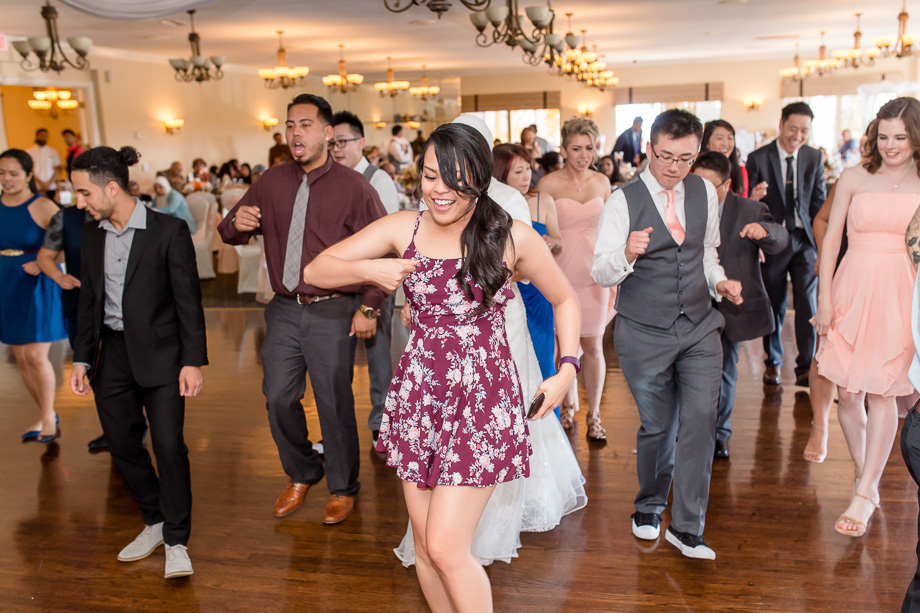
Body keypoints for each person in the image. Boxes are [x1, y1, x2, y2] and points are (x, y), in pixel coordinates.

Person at [302, 121, 581, 612]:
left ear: (478, 178)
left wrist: (567, 369)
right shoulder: (403, 226)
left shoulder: (509, 235)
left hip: (483, 399)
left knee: (448, 547)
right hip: (420, 394)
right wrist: (372, 270)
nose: (439, 190)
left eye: (453, 180)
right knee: (428, 549)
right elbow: (316, 269)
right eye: (430, 176)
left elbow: (564, 297)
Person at [218, 93, 387, 526]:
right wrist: (234, 226)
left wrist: (368, 307)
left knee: (333, 402)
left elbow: (385, 251)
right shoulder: (270, 181)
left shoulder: (355, 188)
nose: (296, 132)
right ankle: (303, 471)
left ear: (328, 134)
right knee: (277, 396)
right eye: (291, 124)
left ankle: (343, 486)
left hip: (334, 308)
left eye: (306, 125)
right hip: (284, 308)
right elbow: (231, 228)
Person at [593, 109, 743, 560]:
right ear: (649, 150)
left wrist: (718, 281)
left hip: (699, 324)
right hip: (643, 330)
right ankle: (650, 505)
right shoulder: (623, 200)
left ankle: (687, 527)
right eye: (664, 156)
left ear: (697, 154)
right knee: (659, 426)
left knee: (700, 420)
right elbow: (601, 271)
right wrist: (626, 252)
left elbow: (708, 251)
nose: (674, 167)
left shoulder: (703, 191)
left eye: (684, 158)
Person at [69, 145, 207, 579]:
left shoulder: (168, 231)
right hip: (111, 357)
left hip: (164, 358)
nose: (79, 202)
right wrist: (80, 359)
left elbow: (189, 302)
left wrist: (193, 361)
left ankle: (178, 539)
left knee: (168, 446)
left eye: (84, 193)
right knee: (122, 444)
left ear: (112, 187)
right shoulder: (92, 232)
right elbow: (89, 298)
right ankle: (155, 520)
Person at [815, 97, 920, 537]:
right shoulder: (854, 177)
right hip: (852, 284)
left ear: (915, 138)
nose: (891, 145)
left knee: (882, 394)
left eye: (901, 137)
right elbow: (831, 240)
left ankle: (865, 491)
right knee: (847, 391)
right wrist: (823, 298)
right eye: (884, 136)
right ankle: (864, 474)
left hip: (902, 290)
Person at [692, 151, 788, 459]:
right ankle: (688, 432)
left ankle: (719, 434)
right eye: (696, 185)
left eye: (710, 186)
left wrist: (765, 232)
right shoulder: (680, 207)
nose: (701, 193)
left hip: (729, 306)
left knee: (724, 370)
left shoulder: (750, 208)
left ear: (728, 184)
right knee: (688, 373)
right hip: (688, 304)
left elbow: (780, 237)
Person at [537, 117, 612, 439]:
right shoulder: (548, 184)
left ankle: (595, 415)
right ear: (564, 149)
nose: (584, 155)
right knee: (561, 347)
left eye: (590, 148)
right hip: (560, 274)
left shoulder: (602, 183)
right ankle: (567, 408)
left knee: (594, 347)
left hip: (595, 275)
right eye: (577, 148)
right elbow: (540, 233)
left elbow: (611, 230)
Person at [331, 109, 399, 444]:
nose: (337, 149)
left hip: (374, 282)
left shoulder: (378, 180)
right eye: (332, 143)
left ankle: (382, 425)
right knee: (335, 357)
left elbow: (387, 242)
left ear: (361, 143)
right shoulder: (328, 180)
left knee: (377, 357)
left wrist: (372, 300)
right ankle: (337, 432)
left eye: (343, 142)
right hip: (338, 284)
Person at [746, 102, 826, 387]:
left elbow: (819, 205)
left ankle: (805, 365)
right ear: (781, 125)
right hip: (774, 240)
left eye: (804, 130)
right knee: (775, 303)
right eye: (793, 128)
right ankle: (773, 362)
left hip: (804, 240)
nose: (798, 135)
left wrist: (821, 248)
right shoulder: (758, 158)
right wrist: (754, 197)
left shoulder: (813, 158)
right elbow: (749, 204)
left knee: (808, 303)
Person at [0, 148, 67, 443]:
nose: (7, 179)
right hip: (7, 282)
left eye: (13, 173)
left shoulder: (43, 206)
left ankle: (50, 417)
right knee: (21, 358)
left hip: (37, 283)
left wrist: (44, 262)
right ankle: (45, 413)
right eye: (2, 173)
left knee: (35, 356)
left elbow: (69, 244)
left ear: (29, 175)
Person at [36, 200, 110, 452]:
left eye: (84, 190)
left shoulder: (120, 215)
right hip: (79, 304)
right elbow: (45, 256)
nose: (79, 199)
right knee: (93, 369)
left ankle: (130, 425)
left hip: (117, 306)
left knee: (120, 370)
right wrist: (59, 276)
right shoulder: (65, 217)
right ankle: (115, 428)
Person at [493, 143, 563, 397]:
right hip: (507, 291)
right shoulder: (491, 206)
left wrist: (550, 243)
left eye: (528, 170)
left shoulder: (543, 200)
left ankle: (547, 421)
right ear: (501, 175)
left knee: (544, 362)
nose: (526, 177)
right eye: (518, 172)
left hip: (537, 290)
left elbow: (558, 239)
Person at [701, 120, 754, 199]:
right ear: (707, 143)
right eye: (719, 138)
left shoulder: (740, 172)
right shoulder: (695, 170)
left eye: (730, 138)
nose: (725, 144)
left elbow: (742, 205)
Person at [27, 128, 62, 198]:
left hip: (51, 187)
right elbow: (29, 170)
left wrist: (48, 184)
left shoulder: (53, 151)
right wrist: (40, 183)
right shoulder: (29, 152)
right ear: (37, 136)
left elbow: (58, 170)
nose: (44, 137)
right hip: (36, 186)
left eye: (46, 136)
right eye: (42, 135)